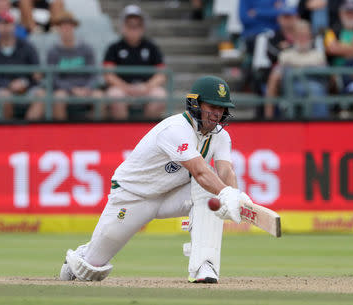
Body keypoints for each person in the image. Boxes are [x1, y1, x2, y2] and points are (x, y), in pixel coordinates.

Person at [60, 76, 253, 283]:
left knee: (210, 193)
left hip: (171, 194)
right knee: (91, 269)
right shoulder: (175, 129)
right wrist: (227, 194)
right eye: (212, 106)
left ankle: (204, 266)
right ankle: (83, 255)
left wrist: (236, 196)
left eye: (222, 108)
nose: (217, 113)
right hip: (133, 196)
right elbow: (199, 171)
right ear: (196, 104)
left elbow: (226, 172)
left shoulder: (221, 136)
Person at [104, 4, 167, 120]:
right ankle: (122, 132)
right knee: (115, 95)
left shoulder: (151, 47)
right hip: (122, 88)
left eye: (137, 25)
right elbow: (108, 75)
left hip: (146, 88)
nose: (133, 29)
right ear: (123, 26)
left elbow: (161, 74)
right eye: (130, 25)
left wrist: (147, 87)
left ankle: (147, 133)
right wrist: (125, 87)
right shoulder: (114, 47)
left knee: (160, 95)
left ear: (143, 27)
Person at [0, 11, 44, 120]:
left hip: (26, 87)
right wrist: (9, 85)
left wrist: (24, 83)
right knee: (4, 97)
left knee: (42, 95)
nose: (5, 27)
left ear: (14, 26)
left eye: (8, 23)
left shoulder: (27, 47)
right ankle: (8, 132)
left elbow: (36, 74)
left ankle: (28, 130)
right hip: (3, 89)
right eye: (1, 24)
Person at [265, 19, 327, 118]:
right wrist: (268, 117)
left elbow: (329, 78)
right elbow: (274, 78)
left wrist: (295, 65)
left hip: (316, 95)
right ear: (293, 37)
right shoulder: (285, 55)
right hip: (291, 94)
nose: (302, 39)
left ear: (310, 37)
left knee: (315, 90)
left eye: (305, 35)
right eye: (299, 35)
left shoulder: (318, 55)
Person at [47, 11, 102, 120]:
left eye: (69, 25)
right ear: (58, 29)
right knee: (59, 98)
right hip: (64, 89)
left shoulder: (87, 49)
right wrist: (71, 89)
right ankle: (61, 134)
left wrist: (87, 88)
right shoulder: (53, 51)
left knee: (100, 97)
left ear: (74, 27)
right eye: (63, 26)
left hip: (85, 88)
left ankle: (94, 132)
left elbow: (93, 74)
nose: (66, 29)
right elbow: (54, 78)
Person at [324, 0, 353, 67]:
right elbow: (331, 49)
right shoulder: (332, 30)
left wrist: (340, 47)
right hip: (337, 71)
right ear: (340, 13)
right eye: (347, 12)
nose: (350, 15)